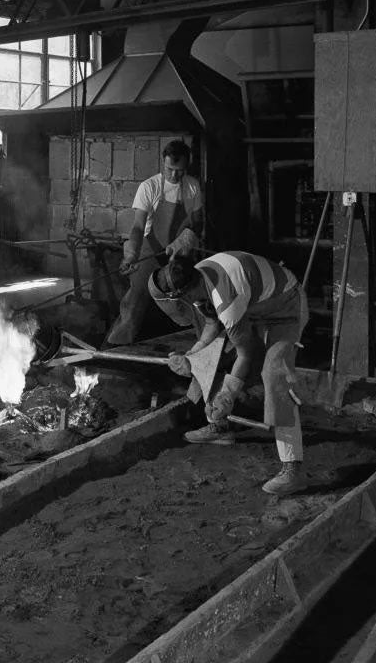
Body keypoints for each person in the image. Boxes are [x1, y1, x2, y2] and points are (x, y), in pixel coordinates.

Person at [150, 250, 309, 497]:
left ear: (186, 293)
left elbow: (245, 354)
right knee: (211, 355)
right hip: (252, 308)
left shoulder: (225, 298)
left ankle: (292, 469)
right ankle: (220, 427)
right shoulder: (197, 275)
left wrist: (228, 394)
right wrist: (192, 355)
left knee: (274, 374)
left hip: (285, 307)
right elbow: (212, 323)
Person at [104, 139, 204, 346]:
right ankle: (116, 346)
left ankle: (203, 344)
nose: (175, 175)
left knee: (193, 296)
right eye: (170, 169)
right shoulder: (149, 187)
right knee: (136, 298)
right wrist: (131, 255)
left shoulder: (192, 187)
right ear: (163, 163)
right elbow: (139, 227)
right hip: (151, 248)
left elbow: (197, 222)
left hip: (181, 252)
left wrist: (185, 240)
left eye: (180, 170)